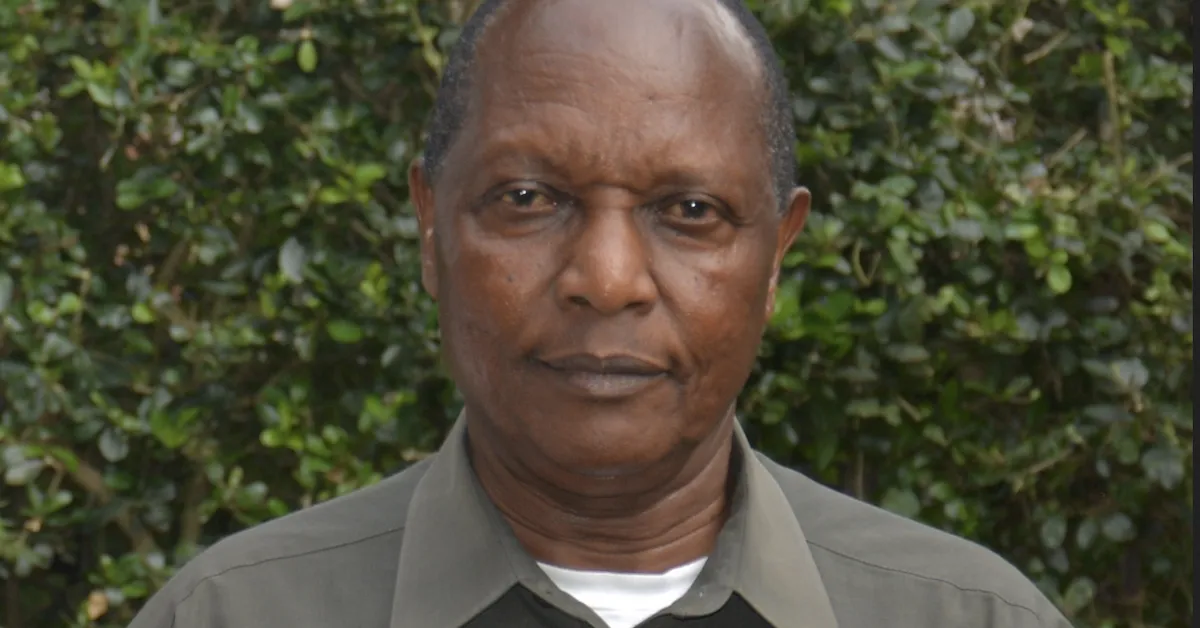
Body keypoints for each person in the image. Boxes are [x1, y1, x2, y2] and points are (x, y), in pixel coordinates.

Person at [129, 0, 1074, 626]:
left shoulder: (972, 618)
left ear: (776, 255)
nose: (608, 279)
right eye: (528, 199)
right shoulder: (230, 615)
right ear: (431, 227)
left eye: (690, 210)